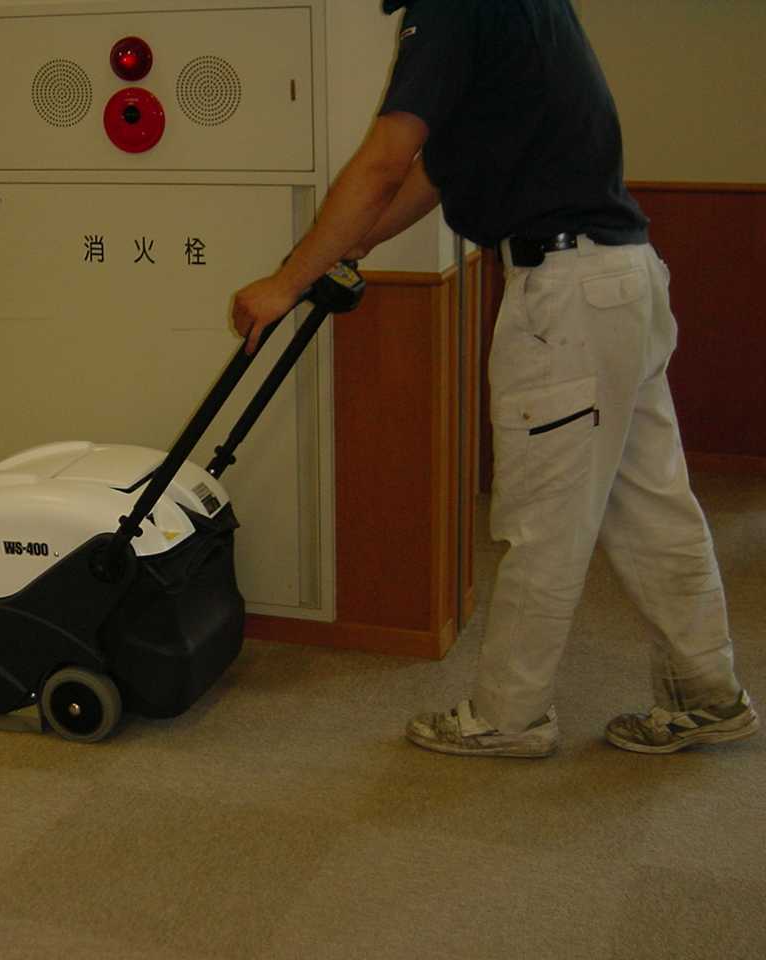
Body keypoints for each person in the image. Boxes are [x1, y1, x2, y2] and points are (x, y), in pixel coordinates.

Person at [232, 0, 758, 757]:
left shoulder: (453, 4)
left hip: (567, 297)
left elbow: (386, 159)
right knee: (653, 504)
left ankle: (510, 716)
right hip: (621, 279)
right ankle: (707, 693)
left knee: (545, 521)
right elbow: (435, 171)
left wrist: (286, 282)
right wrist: (345, 250)